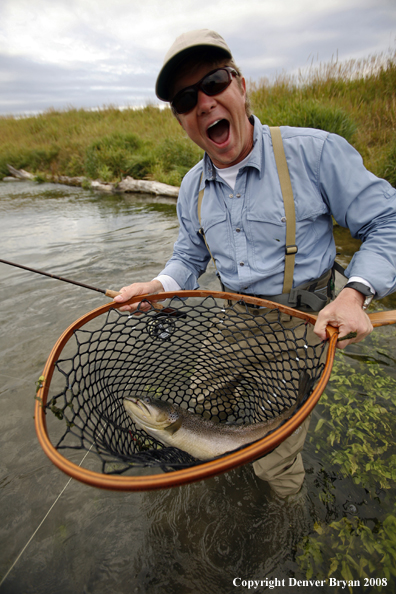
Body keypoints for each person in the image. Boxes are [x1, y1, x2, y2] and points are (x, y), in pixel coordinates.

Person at [114, 29, 396, 497]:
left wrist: (353, 295)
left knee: (274, 460)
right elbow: (189, 254)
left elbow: (388, 220)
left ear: (240, 87)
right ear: (181, 120)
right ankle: (218, 483)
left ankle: (283, 530)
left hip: (302, 323)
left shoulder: (316, 153)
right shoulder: (191, 187)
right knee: (202, 404)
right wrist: (160, 285)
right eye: (185, 99)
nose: (203, 102)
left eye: (214, 82)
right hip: (232, 319)